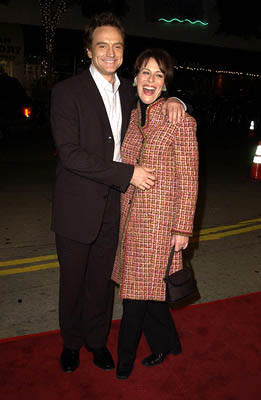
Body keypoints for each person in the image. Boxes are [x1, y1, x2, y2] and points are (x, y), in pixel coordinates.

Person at [50, 12, 186, 373]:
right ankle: (72, 343)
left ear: (124, 51)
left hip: (116, 206)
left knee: (101, 283)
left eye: (117, 46)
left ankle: (96, 342)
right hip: (76, 206)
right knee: (73, 283)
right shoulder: (66, 92)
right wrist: (128, 173)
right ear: (88, 50)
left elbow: (157, 95)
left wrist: (178, 101)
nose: (110, 52)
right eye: (102, 45)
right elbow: (71, 154)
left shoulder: (130, 91)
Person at [112, 48, 199, 380]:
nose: (150, 80)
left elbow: (189, 179)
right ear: (135, 78)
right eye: (145, 73)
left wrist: (182, 228)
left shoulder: (180, 120)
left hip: (161, 225)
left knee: (135, 296)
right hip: (130, 220)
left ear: (166, 84)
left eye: (159, 75)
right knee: (149, 292)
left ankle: (125, 357)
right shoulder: (133, 116)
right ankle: (168, 343)